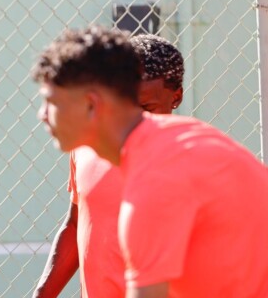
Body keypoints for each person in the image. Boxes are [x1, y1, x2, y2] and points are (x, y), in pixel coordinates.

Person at [32, 26, 268, 298]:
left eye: (51, 102)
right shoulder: (170, 144)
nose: (42, 114)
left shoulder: (157, 177)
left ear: (92, 104)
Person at [33, 34, 184, 298]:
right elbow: (76, 224)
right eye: (127, 105)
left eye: (148, 107)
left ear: (176, 97)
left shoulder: (193, 160)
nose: (136, 119)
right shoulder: (86, 145)